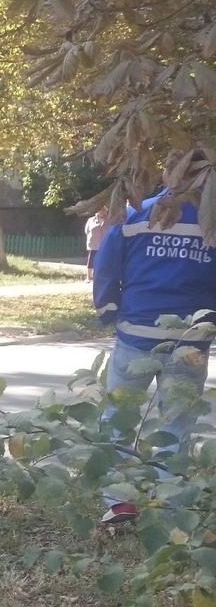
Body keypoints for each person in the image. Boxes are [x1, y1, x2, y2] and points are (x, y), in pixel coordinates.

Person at [93, 185, 216, 524]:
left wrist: (108, 311)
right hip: (191, 341)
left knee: (119, 417)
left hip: (136, 334)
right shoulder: (211, 219)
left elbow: (106, 266)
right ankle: (166, 506)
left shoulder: (136, 212)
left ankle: (119, 503)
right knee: (176, 424)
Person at [84, 207, 108, 282]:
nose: (102, 212)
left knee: (103, 261)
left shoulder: (110, 220)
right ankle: (88, 277)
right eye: (100, 210)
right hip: (93, 243)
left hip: (104, 244)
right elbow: (87, 230)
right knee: (91, 261)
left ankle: (100, 277)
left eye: (104, 210)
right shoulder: (91, 220)